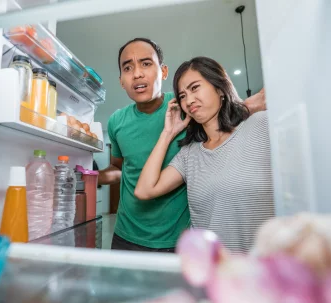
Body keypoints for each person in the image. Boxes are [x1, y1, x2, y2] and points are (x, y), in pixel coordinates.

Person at [98, 38, 266, 252]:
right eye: (128, 68)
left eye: (146, 64)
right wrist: (91, 178)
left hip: (177, 236)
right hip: (126, 231)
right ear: (121, 80)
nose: (137, 73)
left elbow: (220, 113)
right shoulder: (116, 121)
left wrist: (249, 105)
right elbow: (119, 168)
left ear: (163, 71)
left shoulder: (183, 108)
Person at [134, 56, 274, 253]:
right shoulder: (189, 155)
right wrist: (168, 134)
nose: (189, 100)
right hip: (214, 275)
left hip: (267, 273)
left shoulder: (260, 125)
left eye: (194, 88)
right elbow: (144, 190)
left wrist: (246, 107)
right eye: (182, 95)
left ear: (219, 88)